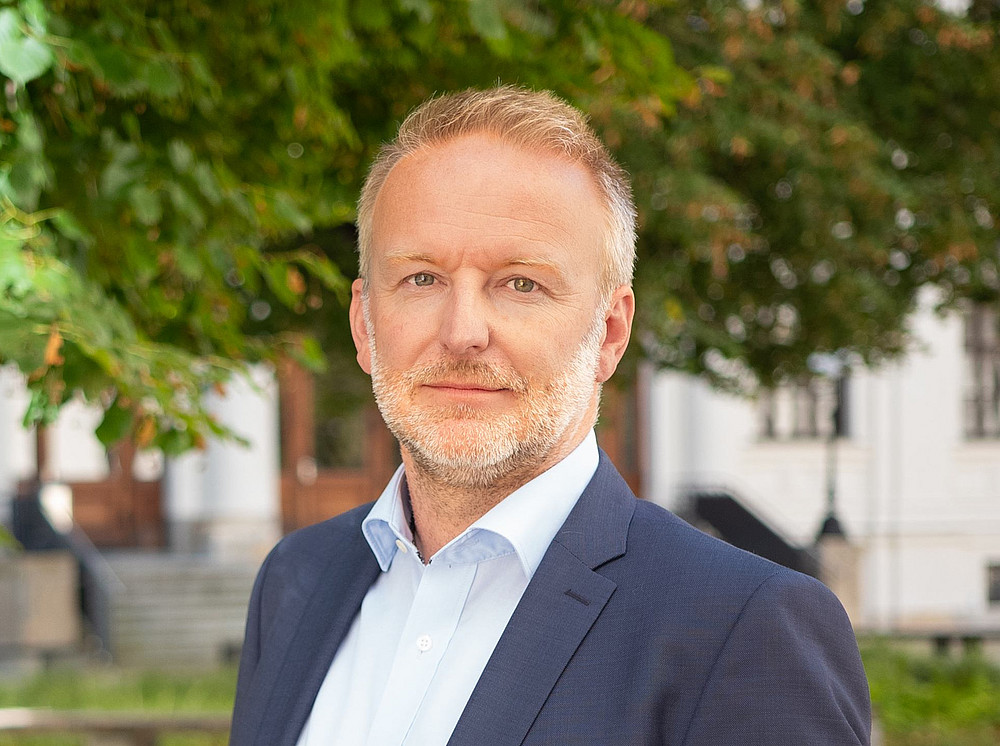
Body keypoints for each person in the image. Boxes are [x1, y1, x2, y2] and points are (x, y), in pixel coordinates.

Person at [229, 86, 871, 746]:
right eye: (422, 278)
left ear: (611, 333)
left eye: (521, 284)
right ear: (365, 325)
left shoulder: (741, 630)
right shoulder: (296, 582)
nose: (462, 332)